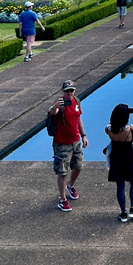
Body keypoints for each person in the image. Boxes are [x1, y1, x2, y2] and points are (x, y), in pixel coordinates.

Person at [105, 103, 133, 222]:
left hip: (115, 157)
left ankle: (123, 213)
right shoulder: (130, 129)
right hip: (128, 157)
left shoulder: (108, 129)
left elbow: (111, 126)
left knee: (120, 186)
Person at [49, 80, 88, 212]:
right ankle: (62, 199)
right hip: (62, 144)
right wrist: (55, 107)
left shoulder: (76, 101)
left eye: (71, 90)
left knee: (78, 166)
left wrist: (83, 135)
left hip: (75, 141)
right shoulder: (59, 103)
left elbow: (78, 118)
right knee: (62, 172)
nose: (69, 93)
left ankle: (70, 186)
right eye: (67, 91)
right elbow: (52, 112)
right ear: (63, 91)